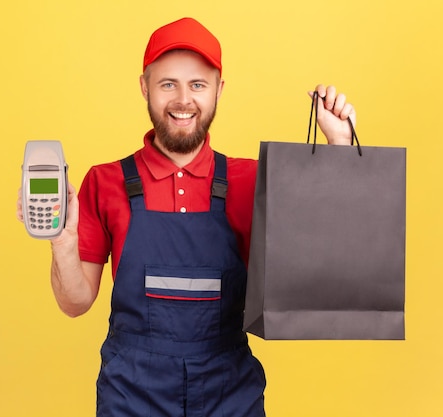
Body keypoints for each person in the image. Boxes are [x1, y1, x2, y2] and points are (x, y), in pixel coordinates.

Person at [18, 17, 356, 417]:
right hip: (131, 394)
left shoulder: (253, 181)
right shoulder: (103, 181)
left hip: (229, 393)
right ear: (144, 86)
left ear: (219, 90)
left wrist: (339, 146)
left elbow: (321, 249)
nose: (183, 100)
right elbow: (74, 303)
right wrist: (62, 239)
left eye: (197, 84)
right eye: (168, 84)